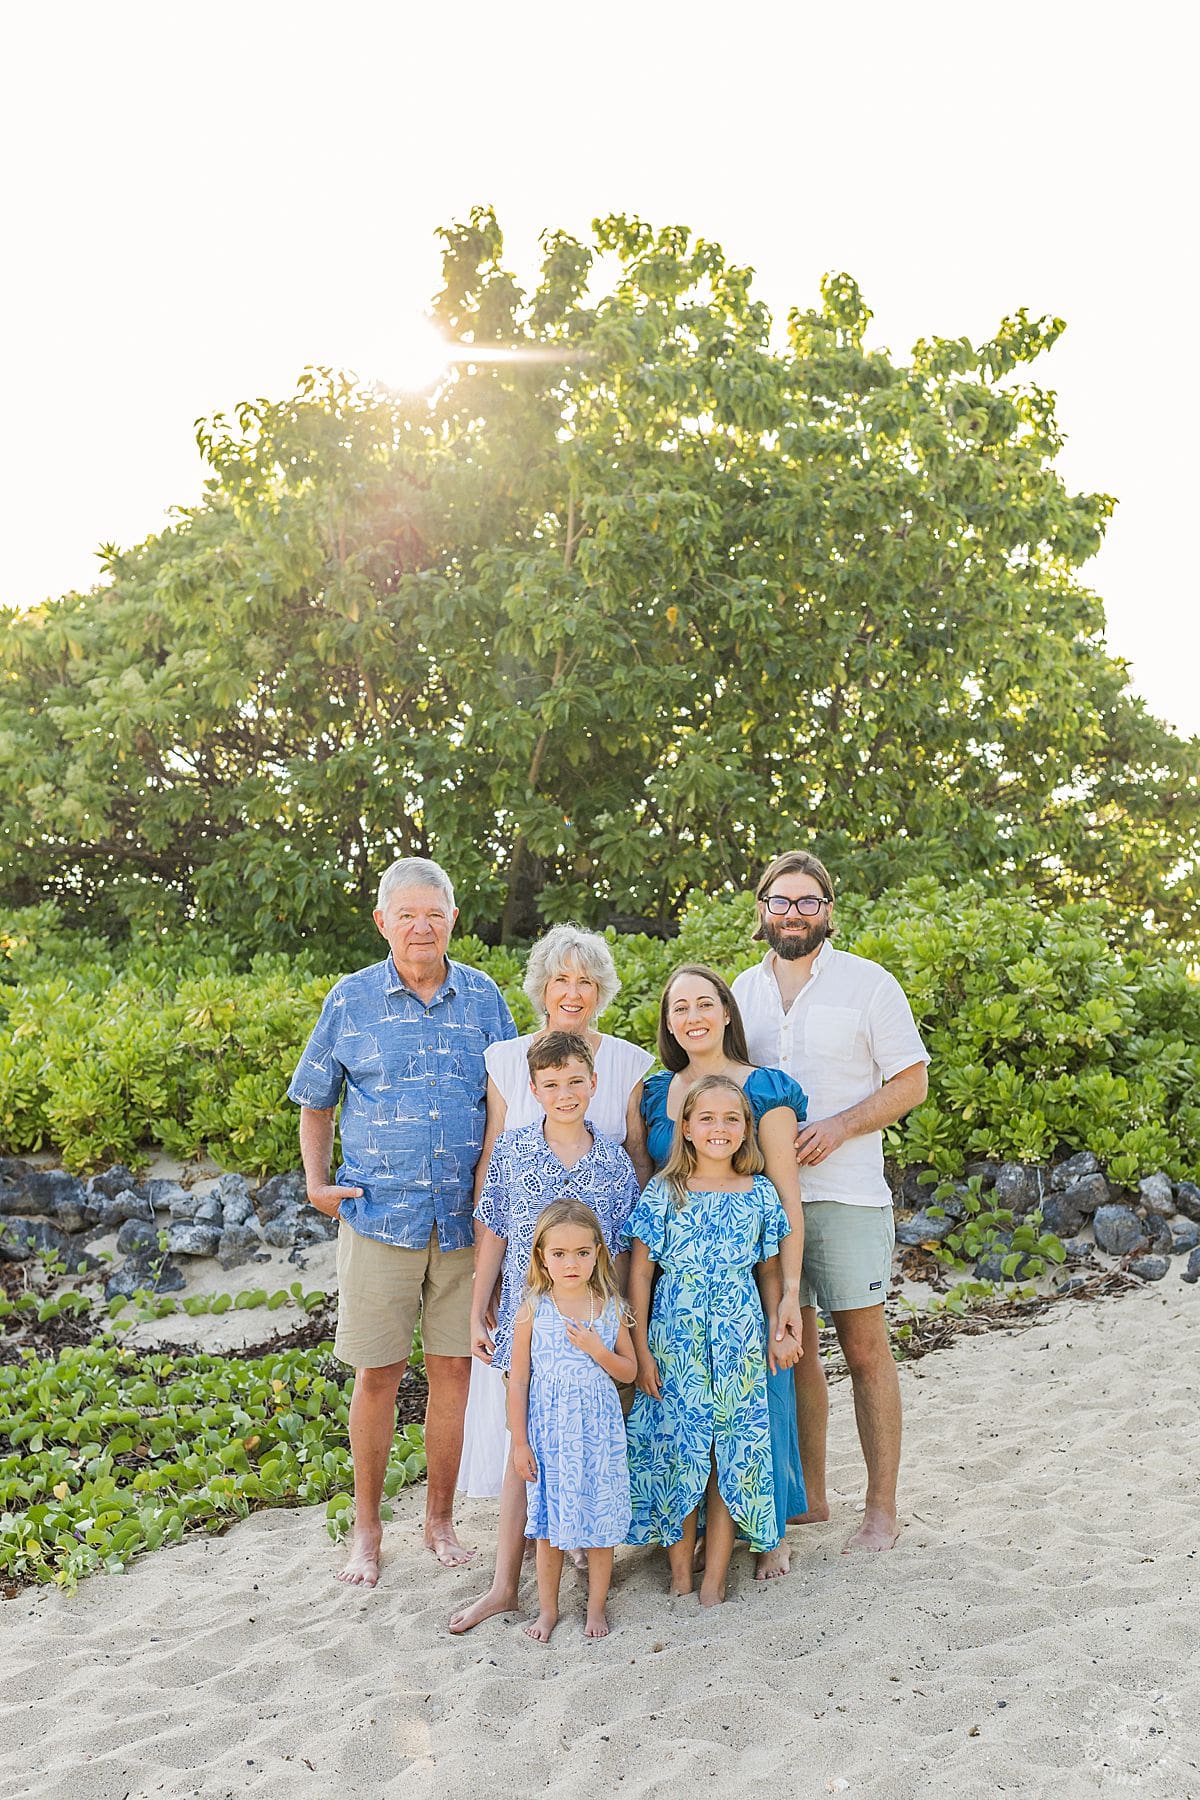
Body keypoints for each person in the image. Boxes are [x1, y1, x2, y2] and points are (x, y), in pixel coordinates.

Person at [288, 856, 516, 1586]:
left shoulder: (484, 999)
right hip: (378, 1220)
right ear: (383, 921)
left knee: (454, 1373)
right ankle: (366, 1530)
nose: (422, 926)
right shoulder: (349, 1000)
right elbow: (315, 1099)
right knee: (378, 1376)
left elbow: (510, 1102)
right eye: (407, 913)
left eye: (435, 913)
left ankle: (440, 1520)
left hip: (464, 1224)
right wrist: (317, 1183)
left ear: (454, 918)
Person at [731, 850, 930, 1553]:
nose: (793, 913)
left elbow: (912, 1082)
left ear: (828, 911)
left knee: (864, 1347)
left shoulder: (869, 984)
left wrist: (843, 1124)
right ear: (762, 910)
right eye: (780, 901)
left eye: (807, 902)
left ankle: (880, 1508)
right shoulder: (740, 991)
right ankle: (812, 1497)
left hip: (845, 1195)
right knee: (798, 1350)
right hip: (765, 1200)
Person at [447, 1033, 639, 1634]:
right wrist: (480, 1309)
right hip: (529, 1322)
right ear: (533, 1090)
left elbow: (629, 1250)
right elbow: (495, 1234)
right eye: (551, 1085)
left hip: (599, 1324)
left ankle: (584, 1556)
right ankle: (506, 1585)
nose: (564, 1094)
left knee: (590, 1441)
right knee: (522, 1450)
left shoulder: (613, 1161)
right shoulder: (512, 1151)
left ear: (593, 1085)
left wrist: (630, 1320)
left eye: (575, 1082)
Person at [457, 923, 652, 1499]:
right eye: (561, 979)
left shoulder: (628, 1063)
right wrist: (484, 1283)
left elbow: (636, 1167)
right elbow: (493, 1178)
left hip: (597, 1285)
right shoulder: (504, 1059)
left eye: (586, 981)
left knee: (590, 1416)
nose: (573, 992)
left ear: (602, 991)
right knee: (522, 1420)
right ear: (542, 987)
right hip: (526, 1281)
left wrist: (628, 1298)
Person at [640, 964, 808, 1579]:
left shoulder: (764, 1088)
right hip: (677, 1280)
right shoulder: (658, 1094)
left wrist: (787, 1295)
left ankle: (771, 1532)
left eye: (704, 1003)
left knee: (761, 1396)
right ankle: (689, 1534)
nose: (692, 1017)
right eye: (678, 1007)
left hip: (747, 1274)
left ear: (728, 1012)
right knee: (682, 1416)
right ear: (667, 1022)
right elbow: (647, 1186)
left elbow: (786, 1203)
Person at [626, 1077, 794, 1607]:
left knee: (727, 1457)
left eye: (732, 1119)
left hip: (740, 1338)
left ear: (746, 1130)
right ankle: (680, 1576)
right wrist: (642, 1349)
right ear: (688, 1130)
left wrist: (775, 1324)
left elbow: (769, 1271)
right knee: (679, 1452)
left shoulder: (760, 1192)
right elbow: (639, 1277)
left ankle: (715, 1582)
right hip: (676, 1338)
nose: (719, 1129)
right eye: (707, 1119)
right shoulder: (664, 1191)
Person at [508, 1198, 637, 1641]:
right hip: (550, 1437)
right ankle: (547, 1610)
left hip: (598, 1435)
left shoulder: (609, 1306)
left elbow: (630, 1370)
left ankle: (596, 1609)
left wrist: (598, 1350)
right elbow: (519, 1379)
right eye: (559, 1254)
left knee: (599, 1528)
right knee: (548, 1529)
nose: (571, 1263)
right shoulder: (532, 1310)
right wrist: (519, 1442)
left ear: (598, 1253)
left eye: (582, 1252)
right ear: (542, 1257)